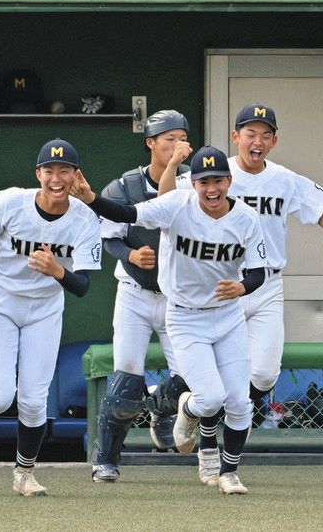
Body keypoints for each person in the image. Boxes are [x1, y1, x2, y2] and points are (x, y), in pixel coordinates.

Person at [164, 104, 323, 486]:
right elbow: (169, 202)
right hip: (221, 285)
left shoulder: (284, 180)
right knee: (218, 386)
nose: (256, 141)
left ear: (274, 141)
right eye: (249, 132)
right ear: (235, 136)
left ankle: (219, 428)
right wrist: (172, 163)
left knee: (262, 373)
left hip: (266, 282)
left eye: (264, 134)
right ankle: (209, 448)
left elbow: (318, 209)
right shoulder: (216, 173)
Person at [75, 145, 266, 495]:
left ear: (229, 180)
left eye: (219, 180)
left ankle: (229, 472)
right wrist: (90, 198)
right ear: (192, 184)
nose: (212, 189)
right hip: (185, 317)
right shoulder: (177, 205)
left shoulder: (246, 218)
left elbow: (258, 273)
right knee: (209, 399)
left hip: (227, 317)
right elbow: (127, 212)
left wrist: (241, 287)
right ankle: (188, 411)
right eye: (204, 181)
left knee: (239, 401)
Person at [0, 139, 102, 497]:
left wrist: (56, 271)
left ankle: (24, 473)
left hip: (45, 307)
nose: (56, 178)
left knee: (35, 399)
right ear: (38, 174)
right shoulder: (10, 201)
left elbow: (82, 286)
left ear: (75, 175)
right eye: (49, 170)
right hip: (1, 298)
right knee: (2, 395)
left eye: (64, 170)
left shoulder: (84, 219)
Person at [90, 110, 194, 482]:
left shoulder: (193, 184)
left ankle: (157, 406)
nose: (177, 145)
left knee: (188, 379)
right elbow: (110, 236)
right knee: (124, 382)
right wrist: (131, 254)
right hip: (134, 293)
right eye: (169, 138)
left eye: (182, 138)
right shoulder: (125, 187)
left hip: (175, 297)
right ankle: (106, 459)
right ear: (151, 143)